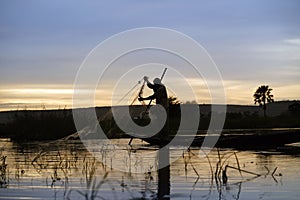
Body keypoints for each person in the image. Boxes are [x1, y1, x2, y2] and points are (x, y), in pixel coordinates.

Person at [138, 76, 169, 140]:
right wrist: (146, 81)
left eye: (155, 83)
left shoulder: (161, 88)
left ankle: (163, 136)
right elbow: (151, 86)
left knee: (161, 121)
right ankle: (161, 135)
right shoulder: (157, 87)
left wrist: (143, 98)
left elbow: (153, 96)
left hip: (163, 108)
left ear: (157, 83)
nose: (154, 85)